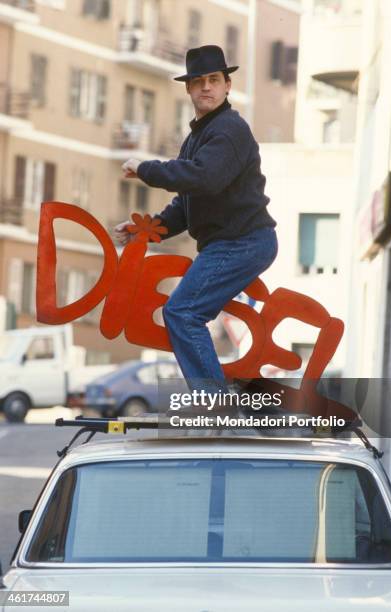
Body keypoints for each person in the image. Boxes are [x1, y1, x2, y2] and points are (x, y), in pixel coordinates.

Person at [115, 45, 278, 398]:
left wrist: (145, 168)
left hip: (244, 241)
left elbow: (205, 178)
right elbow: (186, 205)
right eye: (199, 81)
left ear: (227, 85)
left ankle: (216, 405)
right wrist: (144, 232)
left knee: (183, 312)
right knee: (184, 313)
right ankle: (215, 400)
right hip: (228, 243)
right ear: (188, 88)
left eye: (214, 80)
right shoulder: (196, 139)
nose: (207, 87)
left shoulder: (230, 130)